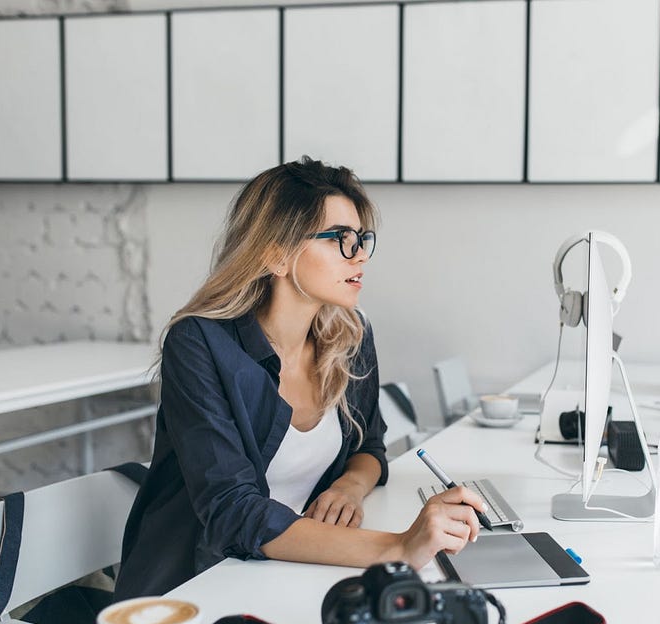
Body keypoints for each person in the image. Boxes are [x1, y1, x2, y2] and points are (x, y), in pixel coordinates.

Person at [114, 158, 484, 600]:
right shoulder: (198, 344)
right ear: (276, 254)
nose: (360, 254)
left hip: (290, 572)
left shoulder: (350, 335)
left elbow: (369, 448)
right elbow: (233, 512)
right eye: (341, 240)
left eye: (362, 239)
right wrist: (400, 547)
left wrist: (349, 486)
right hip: (196, 586)